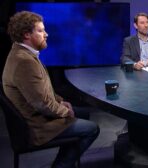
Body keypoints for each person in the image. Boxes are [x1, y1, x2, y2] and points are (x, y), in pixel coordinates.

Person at [2, 11, 100, 168]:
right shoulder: (24, 62)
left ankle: (68, 157)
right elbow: (42, 103)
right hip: (36, 125)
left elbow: (43, 90)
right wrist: (65, 111)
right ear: (27, 35)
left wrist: (62, 102)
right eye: (40, 31)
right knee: (92, 129)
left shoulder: (21, 53)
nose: (46, 34)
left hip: (37, 115)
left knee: (84, 113)